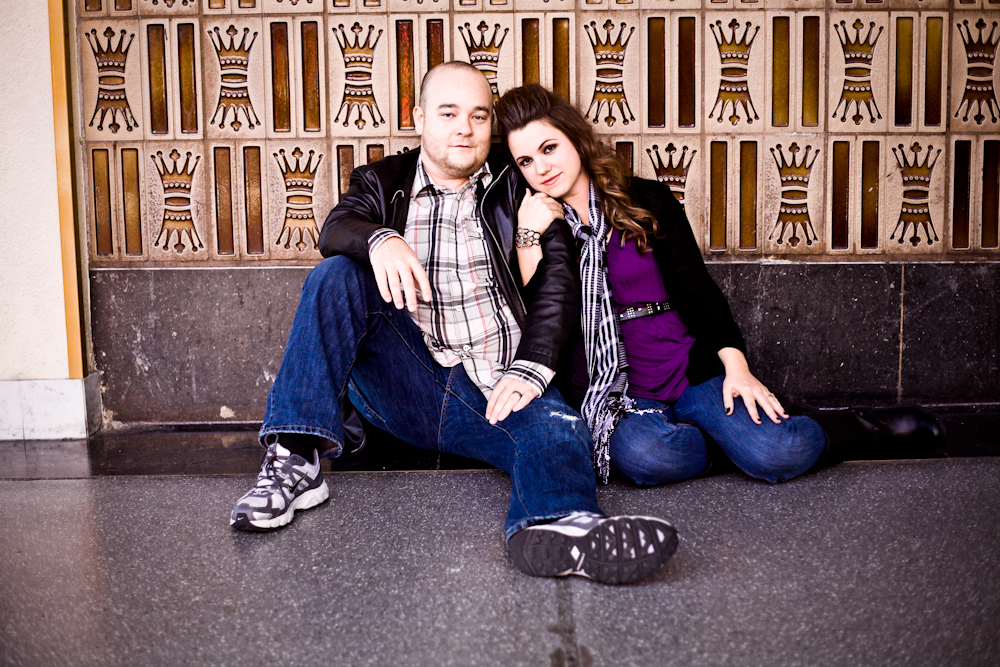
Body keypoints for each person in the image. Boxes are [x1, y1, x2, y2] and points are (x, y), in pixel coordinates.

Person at [229, 63, 678, 585]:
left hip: (498, 383)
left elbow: (558, 282)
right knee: (337, 275)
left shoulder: (519, 186)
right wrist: (379, 239)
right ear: (419, 118)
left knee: (558, 429)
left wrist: (533, 366)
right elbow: (336, 227)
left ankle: (565, 529)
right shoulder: (383, 181)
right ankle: (295, 459)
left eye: (478, 116)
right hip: (407, 378)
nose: (464, 128)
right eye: (448, 114)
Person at [495, 84, 944, 487]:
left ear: (575, 138)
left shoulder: (645, 200)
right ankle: (731, 443)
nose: (542, 168)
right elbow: (543, 322)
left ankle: (860, 429)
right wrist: (528, 235)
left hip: (685, 367)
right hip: (617, 392)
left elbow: (698, 291)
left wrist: (737, 369)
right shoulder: (540, 226)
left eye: (549, 148)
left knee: (777, 452)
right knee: (646, 457)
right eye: (526, 161)